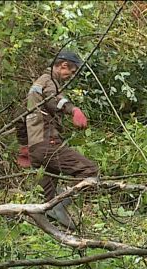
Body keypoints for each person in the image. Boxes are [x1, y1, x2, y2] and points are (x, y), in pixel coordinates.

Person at [18, 50, 99, 229]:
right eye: (72, 71)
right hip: (48, 145)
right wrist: (74, 110)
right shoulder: (49, 83)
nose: (72, 75)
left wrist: (25, 145)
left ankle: (56, 232)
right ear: (63, 65)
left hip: (36, 149)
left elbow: (22, 117)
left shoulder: (36, 85)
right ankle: (61, 206)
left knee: (48, 198)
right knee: (90, 171)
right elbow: (56, 101)